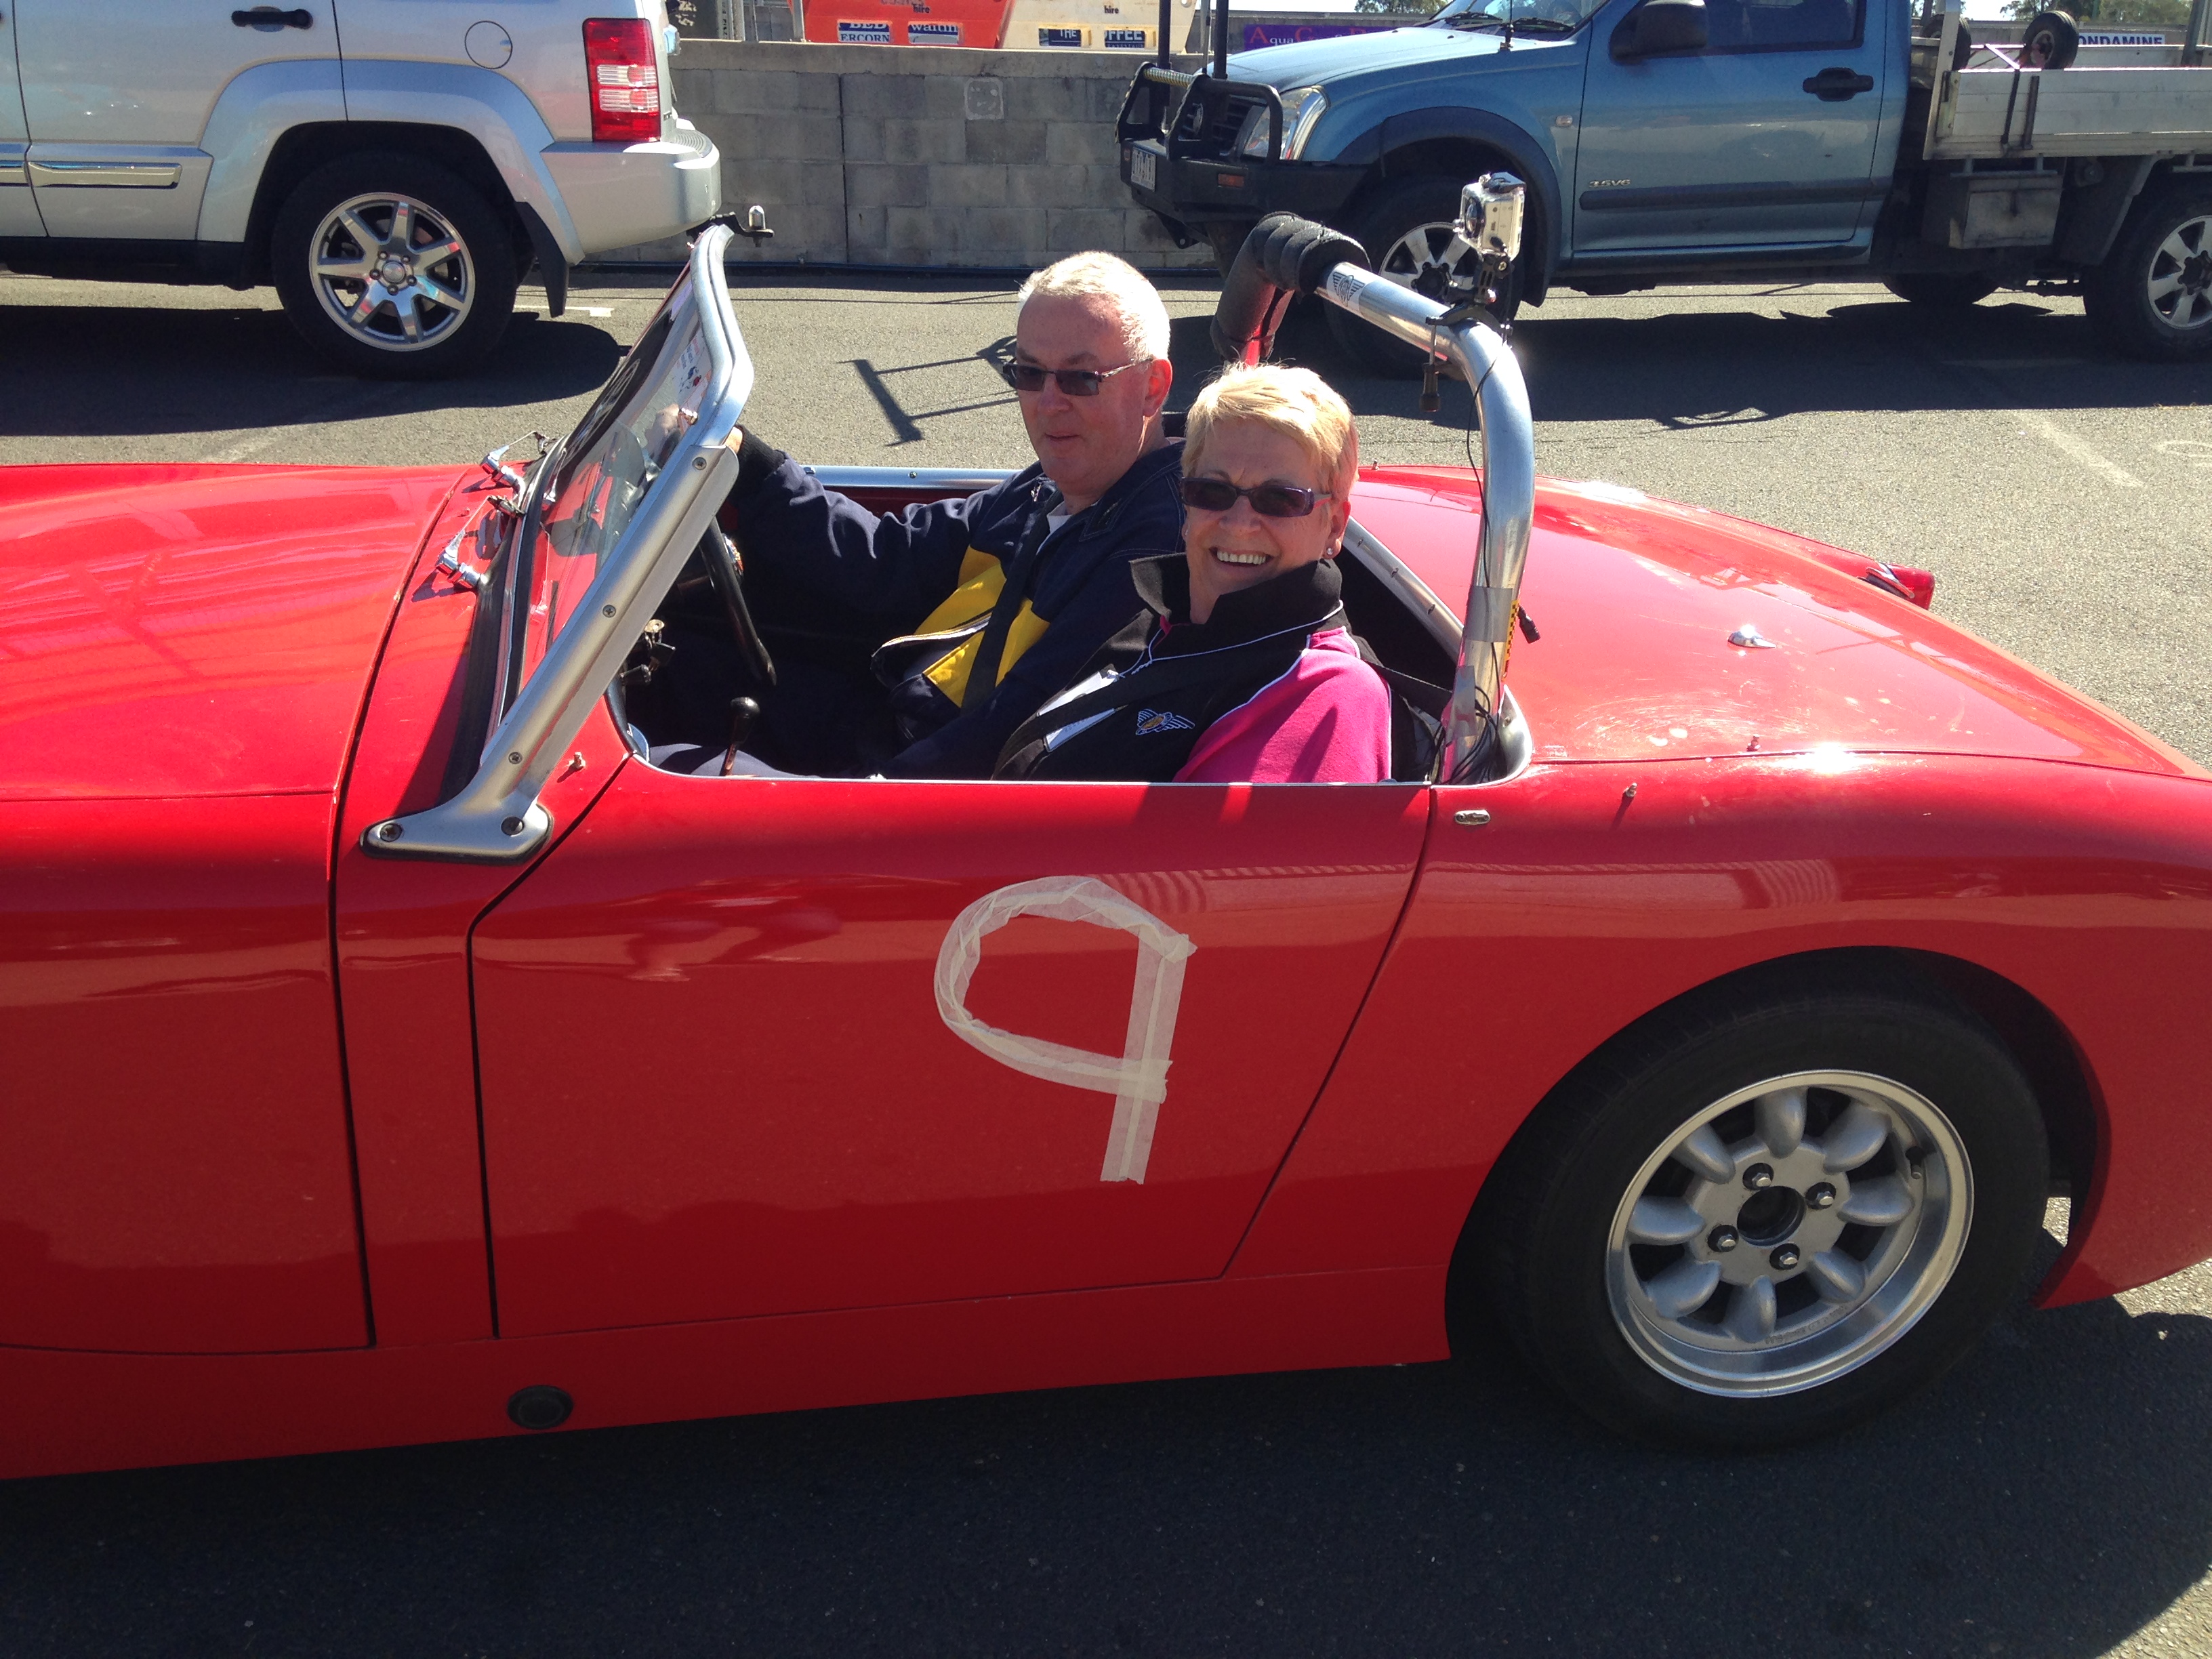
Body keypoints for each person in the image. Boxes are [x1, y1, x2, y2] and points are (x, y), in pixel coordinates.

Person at [712, 251, 1183, 778]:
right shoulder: (1048, 488)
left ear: (1152, 388)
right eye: (1029, 373)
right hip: (891, 716)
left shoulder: (1157, 550)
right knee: (697, 665)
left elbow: (1013, 730)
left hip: (921, 777)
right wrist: (752, 467)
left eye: (1081, 379)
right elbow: (892, 557)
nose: (1048, 403)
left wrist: (871, 794)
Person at [994, 363, 1393, 785]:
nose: (1239, 524)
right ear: (1186, 505)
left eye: (1280, 499)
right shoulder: (1157, 623)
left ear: (1333, 526)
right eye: (1212, 491)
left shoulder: (1324, 691)